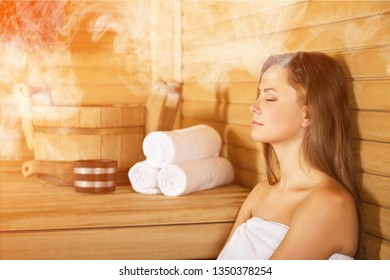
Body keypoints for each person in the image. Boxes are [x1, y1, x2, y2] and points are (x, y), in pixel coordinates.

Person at [218, 52, 362, 260]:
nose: (254, 106)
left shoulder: (329, 203)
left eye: (269, 97)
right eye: (258, 95)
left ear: (308, 115)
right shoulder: (261, 192)